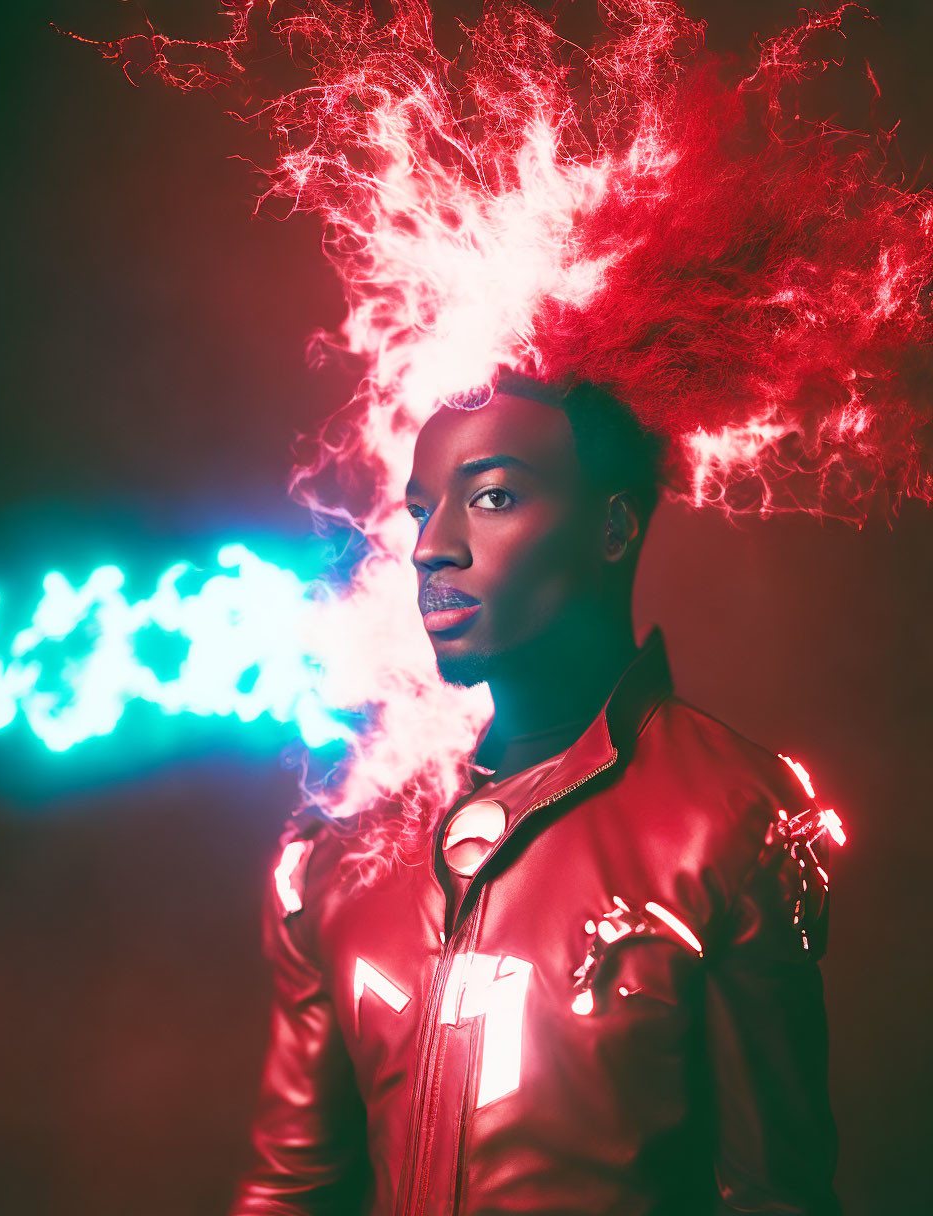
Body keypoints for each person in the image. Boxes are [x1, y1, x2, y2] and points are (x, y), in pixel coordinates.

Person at [229, 371, 840, 1215]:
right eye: (419, 510)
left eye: (493, 497)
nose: (430, 546)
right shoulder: (346, 842)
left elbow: (779, 1200)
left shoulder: (729, 819)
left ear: (613, 526)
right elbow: (292, 1189)